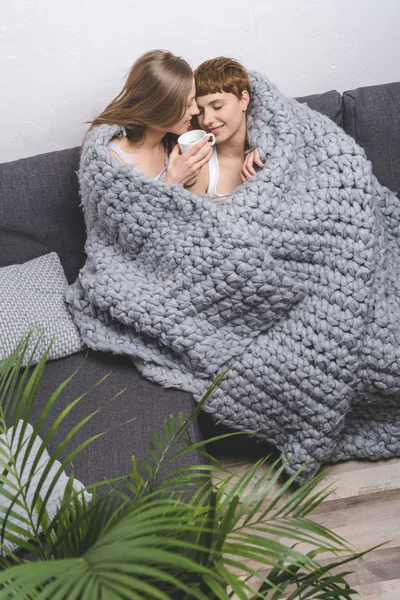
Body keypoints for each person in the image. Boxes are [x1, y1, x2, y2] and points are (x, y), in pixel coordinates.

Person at [88, 49, 213, 187]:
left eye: (194, 100)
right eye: (188, 104)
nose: (195, 111)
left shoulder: (171, 143)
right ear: (159, 107)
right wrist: (174, 181)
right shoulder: (114, 162)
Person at [188, 56, 264, 200]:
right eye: (201, 111)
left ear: (243, 100)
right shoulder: (201, 169)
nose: (207, 120)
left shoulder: (269, 150)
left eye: (217, 107)